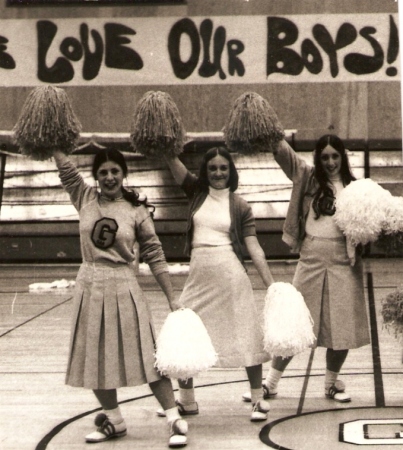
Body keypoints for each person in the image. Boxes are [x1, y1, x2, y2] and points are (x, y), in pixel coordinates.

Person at [51, 147, 189, 448]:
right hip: (89, 285)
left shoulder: (136, 209)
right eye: (103, 172)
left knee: (148, 355)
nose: (110, 177)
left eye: (115, 171)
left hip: (124, 284)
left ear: (124, 173)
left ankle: (173, 417)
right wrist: (52, 144)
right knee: (95, 357)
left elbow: (154, 252)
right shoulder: (84, 197)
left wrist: (171, 298)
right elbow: (65, 167)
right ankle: (113, 419)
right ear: (95, 177)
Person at [242, 134, 370, 404]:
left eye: (335, 156)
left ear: (343, 157)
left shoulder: (357, 188)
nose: (331, 162)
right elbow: (284, 154)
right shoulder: (307, 178)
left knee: (341, 327)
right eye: (325, 157)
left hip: (344, 262)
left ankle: (331, 384)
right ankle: (271, 383)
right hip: (310, 257)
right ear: (317, 159)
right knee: (293, 323)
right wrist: (270, 131)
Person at [158, 146, 275, 422]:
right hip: (199, 276)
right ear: (205, 172)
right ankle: (186, 402)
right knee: (185, 329)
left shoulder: (241, 205)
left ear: (231, 171)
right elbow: (172, 162)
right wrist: (160, 143)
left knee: (246, 334)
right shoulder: (196, 194)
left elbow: (253, 246)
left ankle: (258, 400)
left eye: (224, 168)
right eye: (212, 168)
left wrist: (271, 284)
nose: (218, 173)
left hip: (231, 276)